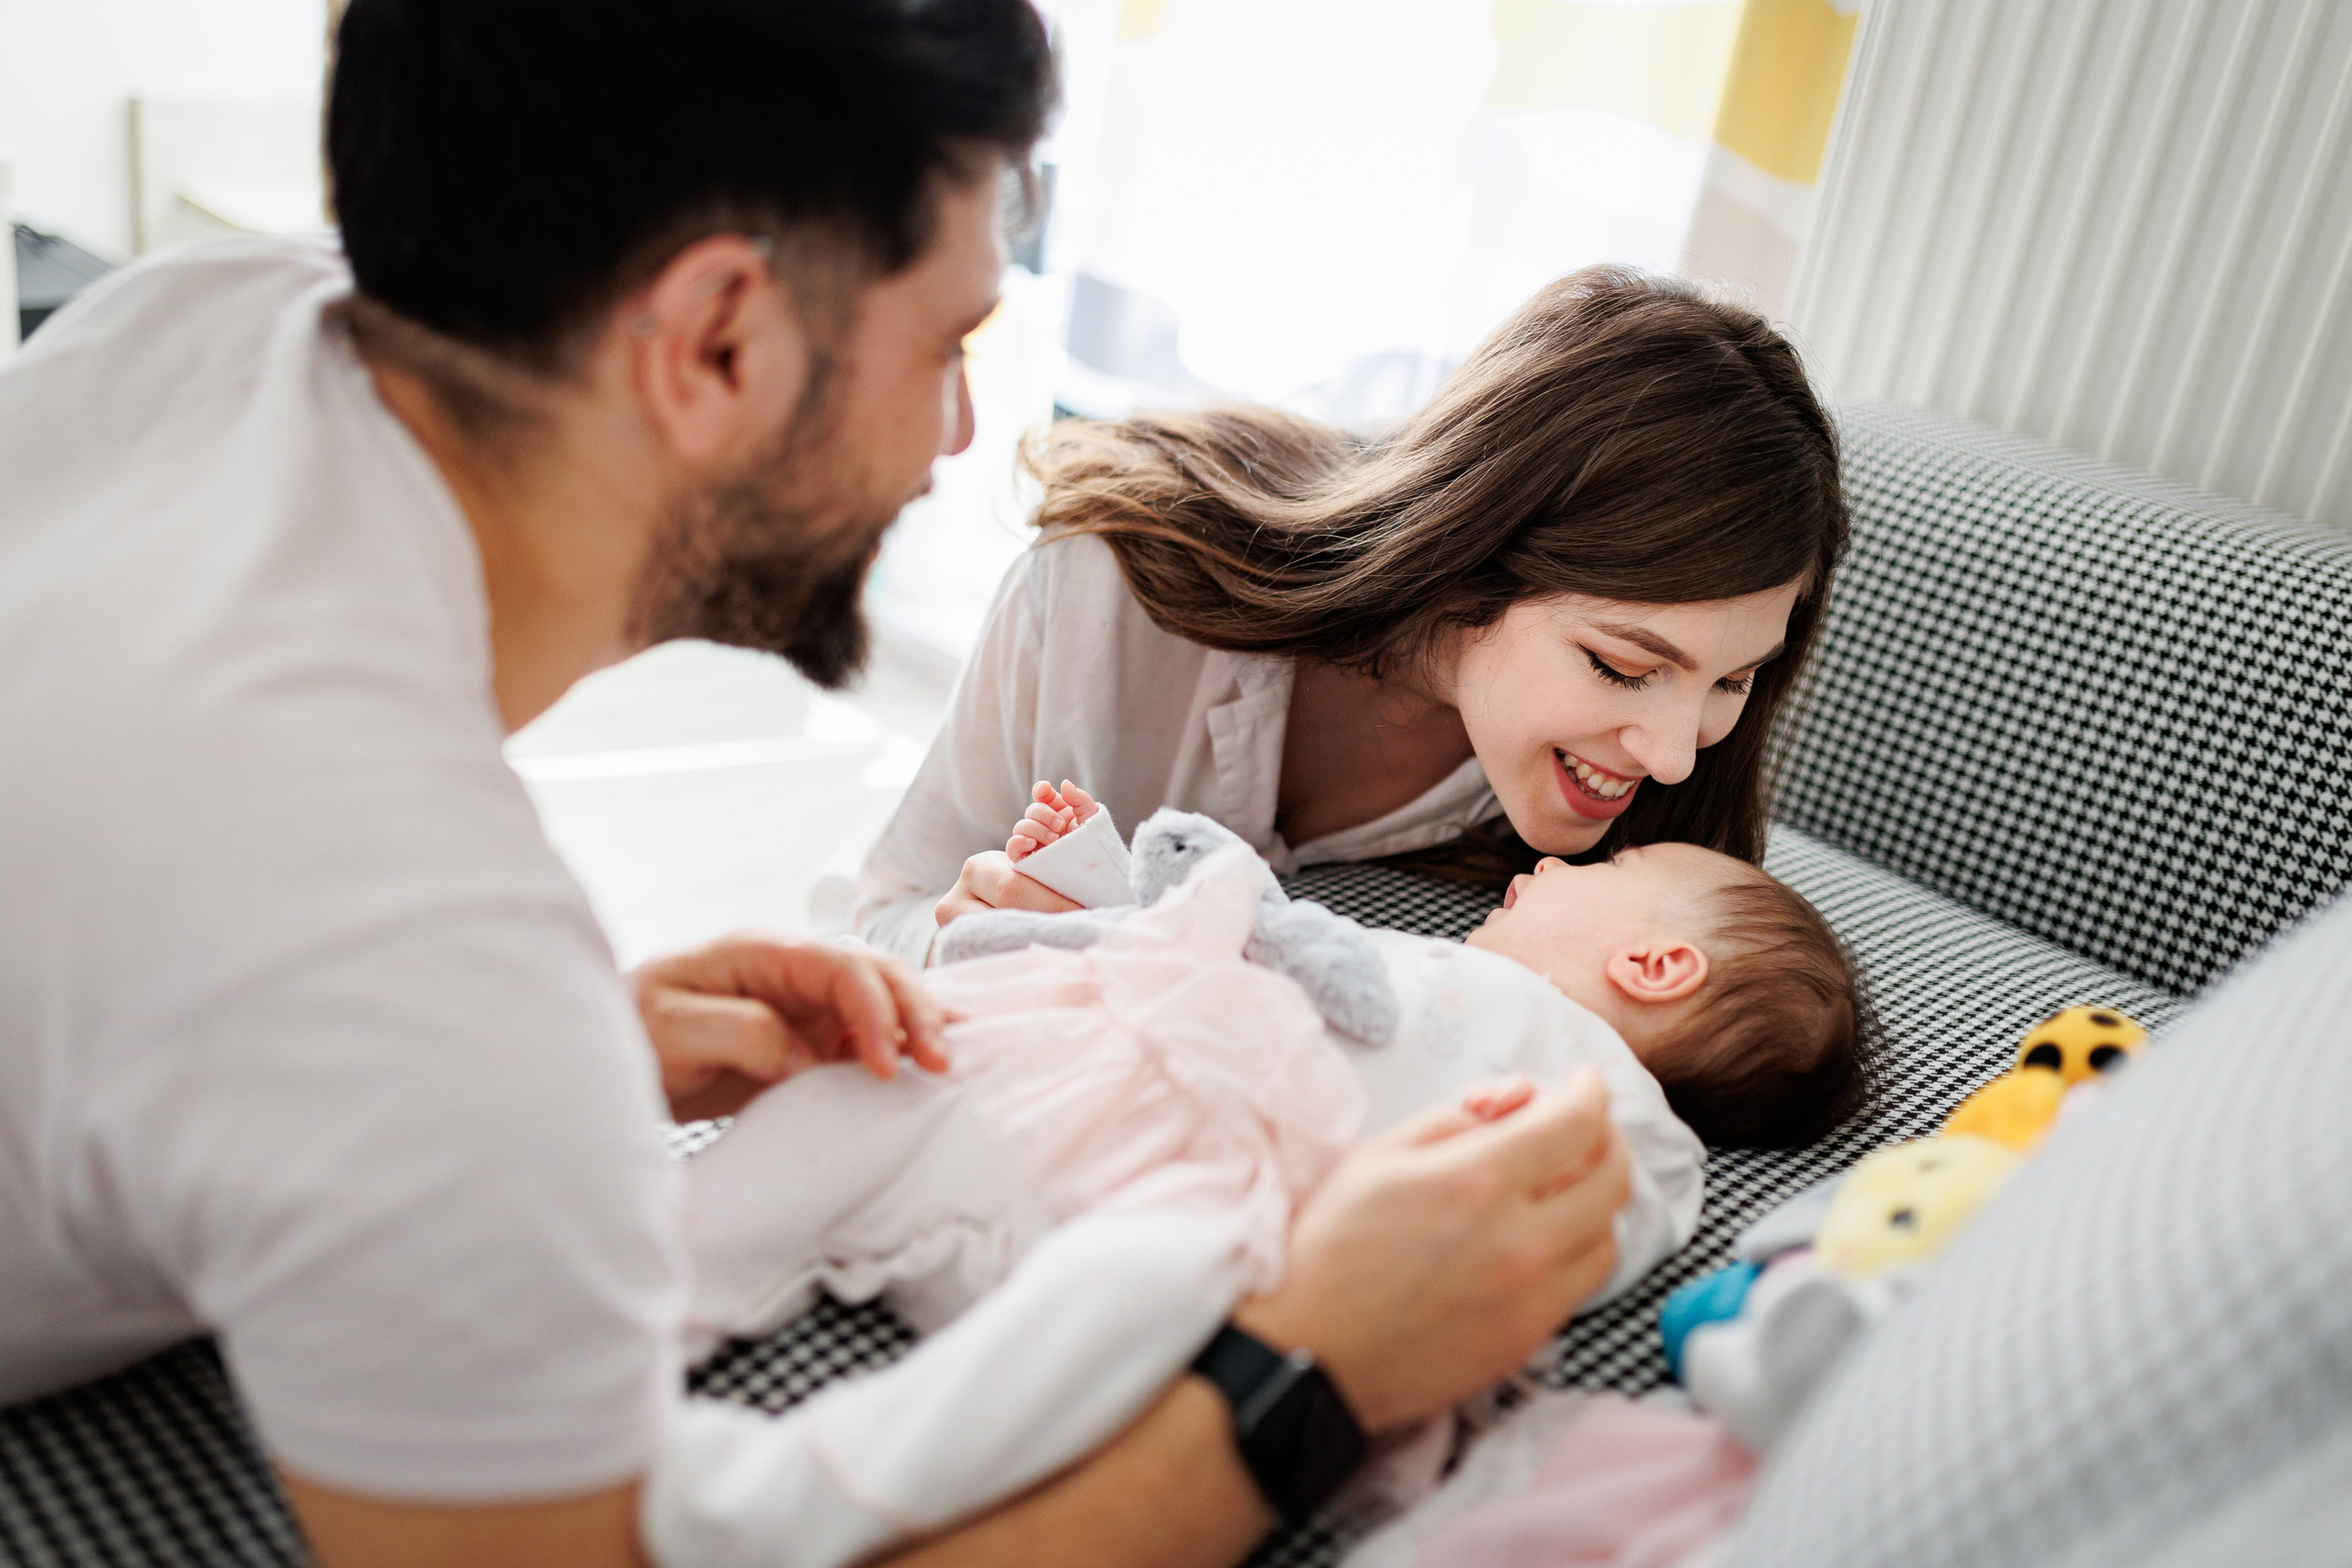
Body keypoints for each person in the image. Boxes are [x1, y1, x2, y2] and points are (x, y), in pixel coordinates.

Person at [0, 3, 1638, 1565]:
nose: (951, 433)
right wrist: (1311, 1369)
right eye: (947, 342)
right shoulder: (402, 954)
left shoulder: (204, 316)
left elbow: (169, 952)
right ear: (718, 336)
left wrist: (530, 1061)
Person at [854, 268, 1851, 966]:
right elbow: (885, 910)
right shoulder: (1108, 589)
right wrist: (961, 937)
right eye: (1622, 667)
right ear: (1468, 565)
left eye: (1731, 679)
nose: (1677, 756)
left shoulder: (1642, 862)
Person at [1002, 782, 1879, 1149]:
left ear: (1653, 964)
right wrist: (1098, 884)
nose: (1556, 864)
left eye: (1609, 869)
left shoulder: (1594, 1112)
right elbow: (1255, 942)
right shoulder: (1450, 983)